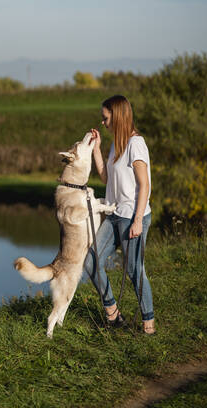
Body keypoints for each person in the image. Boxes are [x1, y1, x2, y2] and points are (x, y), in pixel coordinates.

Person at [84, 94, 155, 334]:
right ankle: (112, 313)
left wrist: (137, 220)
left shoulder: (136, 144)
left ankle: (148, 324)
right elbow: (106, 178)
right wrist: (97, 150)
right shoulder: (117, 143)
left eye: (105, 118)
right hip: (114, 214)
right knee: (92, 262)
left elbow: (144, 185)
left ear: (118, 117)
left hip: (132, 217)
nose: (102, 122)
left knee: (135, 271)